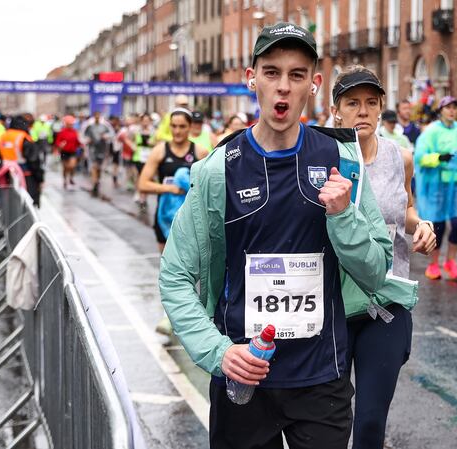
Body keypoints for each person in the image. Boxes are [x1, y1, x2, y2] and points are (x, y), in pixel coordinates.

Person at [158, 22, 392, 449]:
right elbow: (174, 276)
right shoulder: (218, 170)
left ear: (314, 84)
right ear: (252, 79)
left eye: (297, 75)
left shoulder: (342, 161)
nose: (283, 87)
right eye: (271, 72)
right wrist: (218, 352)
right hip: (243, 380)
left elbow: (378, 273)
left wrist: (343, 218)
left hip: (323, 379)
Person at [331, 65, 436, 449]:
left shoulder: (400, 157)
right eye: (352, 103)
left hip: (387, 302)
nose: (362, 111)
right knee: (331, 420)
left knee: (371, 423)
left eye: (370, 103)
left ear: (380, 110)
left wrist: (420, 225)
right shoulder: (325, 157)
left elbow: (403, 211)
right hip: (334, 306)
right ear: (336, 111)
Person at [414, 96, 457, 281]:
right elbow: (420, 157)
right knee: (438, 226)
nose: (451, 111)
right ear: (441, 110)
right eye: (448, 107)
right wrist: (439, 158)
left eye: (454, 107)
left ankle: (451, 261)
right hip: (436, 186)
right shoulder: (431, 131)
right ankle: (433, 264)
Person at [138, 108, 208, 251]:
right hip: (166, 216)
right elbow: (142, 184)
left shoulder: (200, 152)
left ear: (190, 127)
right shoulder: (160, 151)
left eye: (182, 126)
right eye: (174, 126)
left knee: (191, 267)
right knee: (166, 266)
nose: (177, 131)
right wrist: (170, 188)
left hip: (192, 218)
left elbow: (210, 186)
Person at [0, 115, 43, 206]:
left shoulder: (4, 135)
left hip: (7, 174)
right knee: (27, 202)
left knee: (12, 203)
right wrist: (40, 177)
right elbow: (34, 160)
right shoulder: (23, 137)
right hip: (25, 174)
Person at [82, 111, 114, 197]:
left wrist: (106, 136)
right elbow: (83, 136)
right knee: (94, 166)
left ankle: (97, 180)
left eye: (98, 116)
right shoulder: (89, 126)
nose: (97, 117)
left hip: (102, 149)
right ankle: (95, 183)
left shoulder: (105, 125)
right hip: (92, 149)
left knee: (99, 167)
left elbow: (112, 134)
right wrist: (87, 140)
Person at [133, 113, 155, 209]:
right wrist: (132, 146)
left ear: (150, 121)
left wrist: (153, 143)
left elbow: (159, 142)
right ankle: (139, 194)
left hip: (149, 158)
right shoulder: (135, 131)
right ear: (141, 121)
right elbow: (126, 138)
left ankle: (144, 198)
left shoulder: (154, 131)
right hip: (139, 157)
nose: (145, 122)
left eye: (147, 120)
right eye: (144, 120)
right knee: (139, 177)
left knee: (147, 178)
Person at [54, 115, 82, 189]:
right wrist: (60, 145)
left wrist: (81, 144)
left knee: (72, 166)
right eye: (69, 124)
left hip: (72, 151)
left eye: (72, 124)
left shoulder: (75, 132)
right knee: (65, 167)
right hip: (64, 152)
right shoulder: (62, 132)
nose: (71, 125)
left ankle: (71, 178)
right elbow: (57, 142)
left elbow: (78, 141)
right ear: (66, 124)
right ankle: (65, 180)